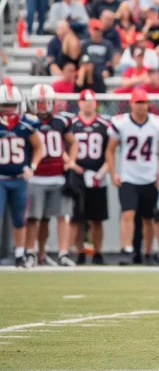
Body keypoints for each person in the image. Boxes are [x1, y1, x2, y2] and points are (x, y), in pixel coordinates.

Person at [106, 89, 159, 265]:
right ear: (131, 104)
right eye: (137, 103)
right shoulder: (121, 123)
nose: (141, 106)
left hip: (150, 176)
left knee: (148, 217)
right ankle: (127, 250)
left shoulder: (157, 123)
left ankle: (148, 252)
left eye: (143, 102)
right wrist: (113, 173)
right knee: (127, 214)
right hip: (129, 176)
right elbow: (110, 149)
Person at [23, 85, 76, 267]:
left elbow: (72, 143)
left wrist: (71, 161)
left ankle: (61, 253)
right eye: (39, 102)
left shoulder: (61, 122)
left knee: (60, 217)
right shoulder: (28, 123)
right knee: (33, 218)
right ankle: (30, 252)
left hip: (58, 176)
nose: (43, 106)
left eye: (46, 102)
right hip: (36, 176)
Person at [0, 82, 44, 268]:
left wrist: (32, 166)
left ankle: (20, 255)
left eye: (12, 105)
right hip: (0, 179)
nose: (9, 109)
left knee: (20, 218)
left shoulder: (27, 123)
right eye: (5, 105)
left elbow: (38, 147)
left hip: (19, 179)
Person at [66, 89, 111, 264]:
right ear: (79, 103)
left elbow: (110, 151)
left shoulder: (104, 125)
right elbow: (63, 150)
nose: (88, 104)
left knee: (97, 218)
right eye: (85, 101)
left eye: (91, 101)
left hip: (98, 176)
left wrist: (102, 171)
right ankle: (79, 253)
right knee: (77, 217)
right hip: (77, 175)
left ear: (95, 103)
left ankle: (98, 253)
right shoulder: (71, 124)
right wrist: (74, 166)